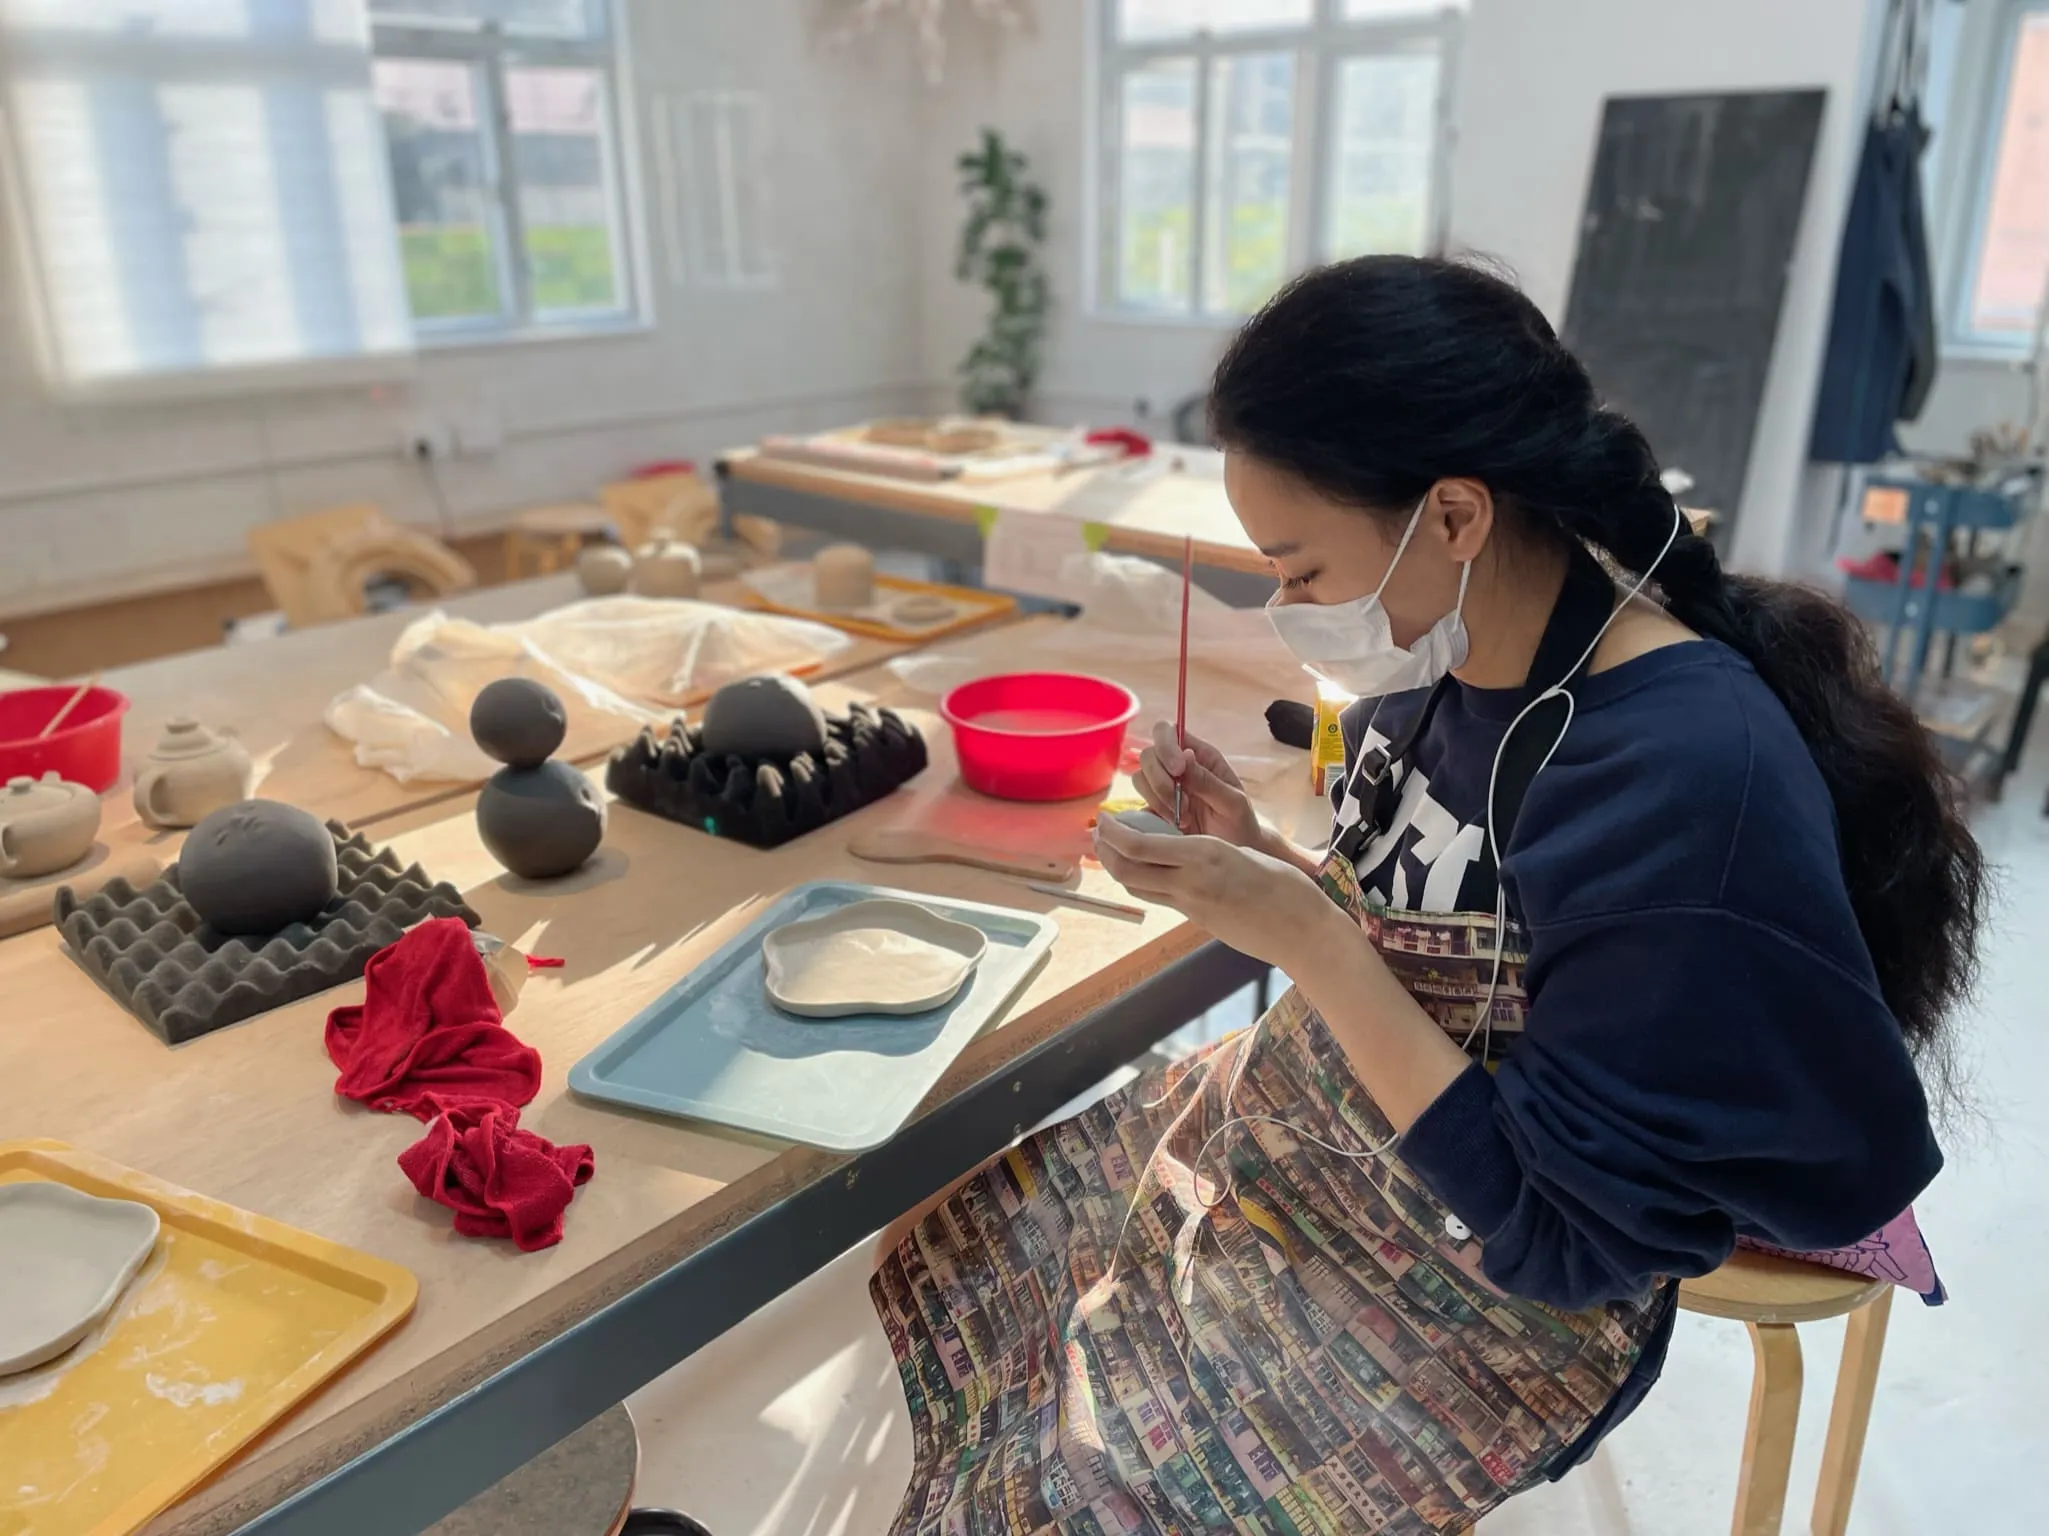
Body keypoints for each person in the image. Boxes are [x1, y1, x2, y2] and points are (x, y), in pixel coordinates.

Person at [868, 256, 1982, 1535]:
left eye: (1301, 571)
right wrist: (1260, 855)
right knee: (967, 1250)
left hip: (1470, 1289)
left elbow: (1562, 1240)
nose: (1287, 610)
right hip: (1313, 1149)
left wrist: (1307, 938)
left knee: (1067, 1494)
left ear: (1454, 515)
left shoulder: (1673, 778)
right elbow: (1434, 942)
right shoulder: (1446, 658)